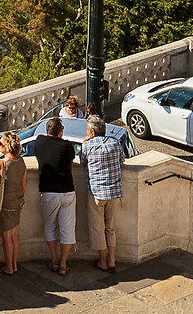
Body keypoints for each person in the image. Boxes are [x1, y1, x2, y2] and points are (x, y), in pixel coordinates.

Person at [79, 110, 128, 273]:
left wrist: (85, 142)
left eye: (87, 131)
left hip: (97, 194)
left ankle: (103, 260)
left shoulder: (87, 145)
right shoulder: (115, 143)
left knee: (97, 228)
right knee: (110, 227)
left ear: (92, 133)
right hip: (114, 192)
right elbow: (122, 161)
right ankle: (112, 259)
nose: (86, 133)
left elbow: (82, 163)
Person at [31, 115, 79, 274]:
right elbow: (70, 160)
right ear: (61, 132)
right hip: (67, 191)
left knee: (50, 227)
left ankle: (54, 260)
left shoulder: (39, 141)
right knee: (67, 229)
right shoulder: (67, 146)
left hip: (49, 192)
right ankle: (64, 264)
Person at [0, 130, 27, 273]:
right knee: (14, 234)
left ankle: (9, 267)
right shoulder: (21, 161)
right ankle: (14, 265)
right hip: (17, 202)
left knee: (6, 237)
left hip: (6, 204)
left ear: (7, 147)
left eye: (0, 144)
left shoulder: (2, 163)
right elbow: (24, 184)